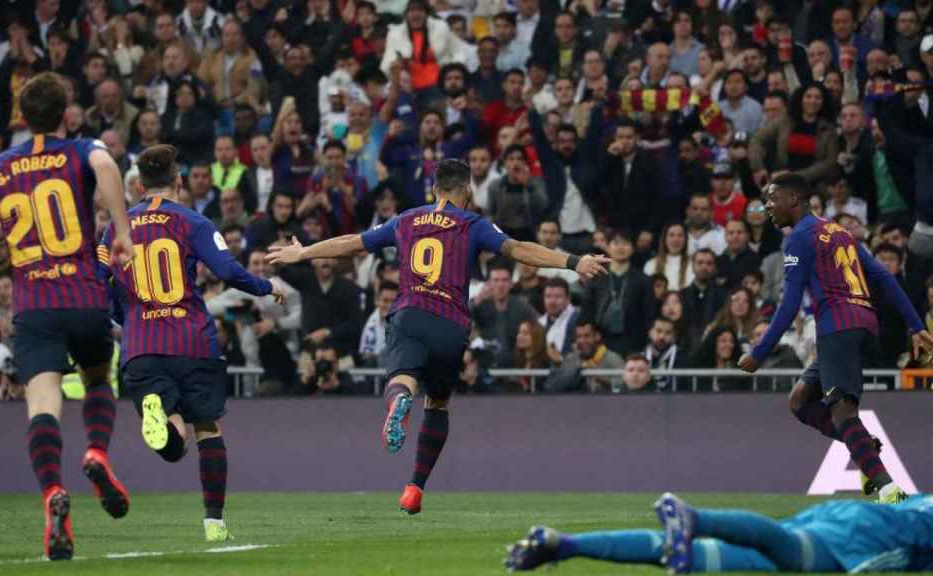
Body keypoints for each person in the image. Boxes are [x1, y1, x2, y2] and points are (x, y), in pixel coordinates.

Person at [267, 159, 609, 514]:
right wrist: (574, 261)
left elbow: (354, 243)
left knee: (402, 379)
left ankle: (399, 400)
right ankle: (414, 488)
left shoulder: (406, 219)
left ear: (434, 189)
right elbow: (519, 249)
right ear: (468, 190)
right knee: (438, 403)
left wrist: (304, 251)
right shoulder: (473, 224)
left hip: (410, 313)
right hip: (450, 324)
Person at [0, 72, 134, 561]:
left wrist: (11, 230)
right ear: (66, 113)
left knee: (42, 405)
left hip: (34, 306)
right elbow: (105, 164)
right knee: (99, 380)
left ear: (21, 116)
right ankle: (97, 453)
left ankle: (52, 493)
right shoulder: (82, 150)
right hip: (83, 297)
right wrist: (121, 230)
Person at [99, 145, 285, 543]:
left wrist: (124, 316)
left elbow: (102, 281)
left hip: (140, 345)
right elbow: (227, 270)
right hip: (191, 339)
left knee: (172, 439)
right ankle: (214, 523)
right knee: (207, 428)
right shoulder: (193, 221)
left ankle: (161, 421)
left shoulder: (115, 228)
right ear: (178, 180)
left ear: (138, 184)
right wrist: (266, 286)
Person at [738, 173, 933, 504]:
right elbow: (882, 276)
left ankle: (889, 490)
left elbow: (788, 304)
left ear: (793, 200)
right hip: (864, 326)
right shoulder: (837, 231)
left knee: (842, 412)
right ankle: (865, 448)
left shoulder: (798, 237)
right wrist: (916, 326)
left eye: (772, 198)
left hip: (837, 327)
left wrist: (759, 352)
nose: (767, 206)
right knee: (799, 400)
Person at [505, 492, 933, 573]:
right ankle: (696, 516)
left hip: (854, 515)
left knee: (693, 557)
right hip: (874, 534)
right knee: (797, 555)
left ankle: (565, 545)